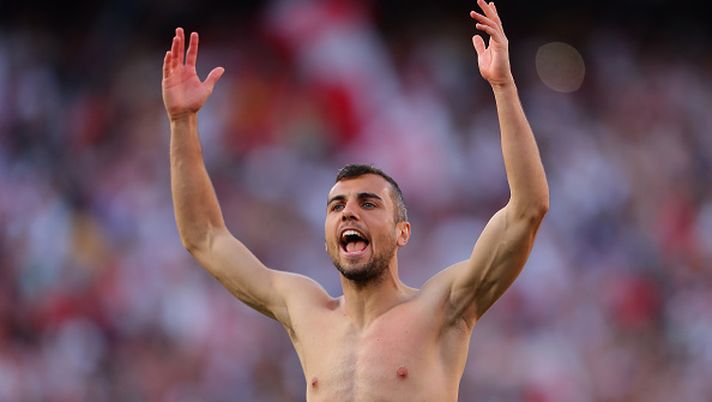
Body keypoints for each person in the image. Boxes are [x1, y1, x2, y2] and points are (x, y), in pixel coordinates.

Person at [161, 0, 548, 400]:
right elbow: (204, 237)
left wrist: (503, 87)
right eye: (337, 206)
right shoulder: (305, 311)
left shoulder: (443, 308)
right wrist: (182, 123)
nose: (349, 212)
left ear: (403, 232)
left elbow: (527, 210)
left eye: (368, 203)